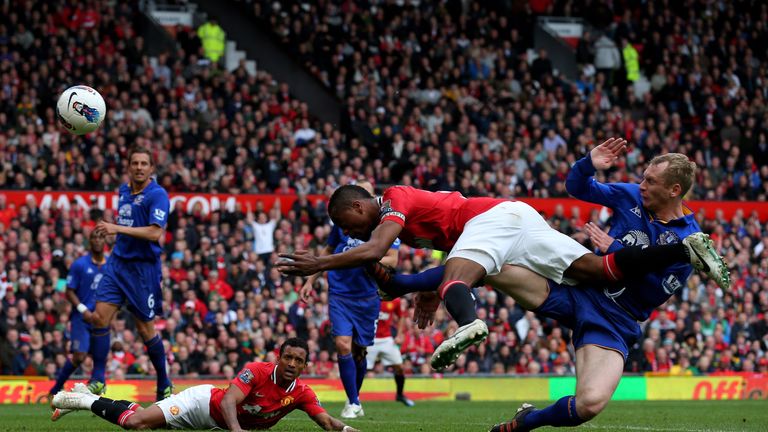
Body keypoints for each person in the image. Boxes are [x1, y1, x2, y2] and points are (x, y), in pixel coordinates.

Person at [276, 139, 729, 372]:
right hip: (513, 223)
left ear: (359, 206)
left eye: (348, 225)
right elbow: (390, 275)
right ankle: (684, 249)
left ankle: (469, 322)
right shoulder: (392, 223)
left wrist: (318, 262)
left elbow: (374, 248)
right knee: (601, 269)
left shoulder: (393, 198)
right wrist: (408, 287)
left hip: (490, 220)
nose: (352, 234)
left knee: (459, 276)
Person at [51, 338, 359, 432]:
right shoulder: (256, 371)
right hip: (200, 404)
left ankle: (89, 394)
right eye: (287, 357)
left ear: (305, 366)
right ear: (278, 358)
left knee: (142, 417)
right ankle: (80, 400)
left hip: (216, 425)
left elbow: (328, 423)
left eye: (298, 360)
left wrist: (348, 431)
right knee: (137, 424)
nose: (291, 364)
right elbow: (228, 402)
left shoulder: (302, 393)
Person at [299, 180, 399, 419]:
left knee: (359, 351)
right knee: (342, 344)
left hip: (367, 296)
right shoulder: (343, 223)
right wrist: (310, 280)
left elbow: (393, 260)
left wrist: (365, 258)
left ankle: (354, 398)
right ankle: (353, 402)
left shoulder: (386, 224)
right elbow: (328, 250)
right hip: (340, 293)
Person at [89, 146, 173, 400]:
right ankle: (97, 379)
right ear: (129, 166)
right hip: (117, 265)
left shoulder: (157, 195)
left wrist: (115, 228)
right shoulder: (124, 190)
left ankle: (164, 382)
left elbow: (154, 233)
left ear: (151, 168)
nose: (138, 167)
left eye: (143, 163)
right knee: (99, 319)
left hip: (142, 270)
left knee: (146, 331)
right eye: (134, 163)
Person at [49, 231, 107, 420]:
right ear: (89, 242)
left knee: (100, 358)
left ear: (105, 242)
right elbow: (69, 290)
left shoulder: (111, 265)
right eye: (94, 238)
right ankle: (56, 389)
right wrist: (83, 309)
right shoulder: (80, 264)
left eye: (100, 238)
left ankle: (94, 401)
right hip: (81, 318)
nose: (97, 241)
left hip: (102, 318)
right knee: (80, 356)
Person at [366, 298, 415, 407]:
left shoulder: (395, 300)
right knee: (361, 369)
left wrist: (399, 334)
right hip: (369, 338)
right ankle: (352, 400)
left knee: (400, 368)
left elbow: (401, 316)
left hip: (386, 339)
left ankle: (400, 394)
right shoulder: (369, 295)